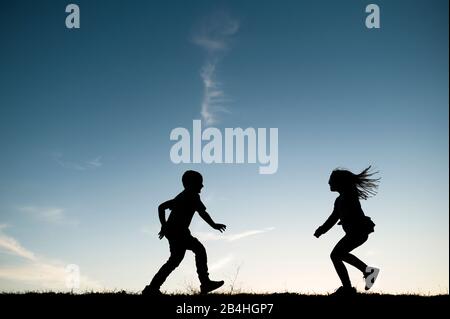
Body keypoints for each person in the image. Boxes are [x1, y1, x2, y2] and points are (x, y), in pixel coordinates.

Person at [143, 170, 227, 295]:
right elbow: (202, 213)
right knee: (199, 249)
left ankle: (152, 288)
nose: (202, 186)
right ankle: (205, 283)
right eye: (200, 183)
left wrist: (164, 226)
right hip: (178, 232)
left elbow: (161, 207)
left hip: (174, 231)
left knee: (174, 261)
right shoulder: (191, 195)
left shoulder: (181, 196)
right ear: (191, 184)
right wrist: (214, 225)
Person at [314, 166, 380, 295]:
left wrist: (324, 229)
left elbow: (340, 215)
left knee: (336, 255)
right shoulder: (339, 200)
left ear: (340, 182)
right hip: (354, 232)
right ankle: (361, 276)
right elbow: (333, 218)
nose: (328, 183)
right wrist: (322, 230)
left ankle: (349, 287)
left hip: (358, 231)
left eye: (331, 180)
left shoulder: (350, 195)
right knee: (338, 255)